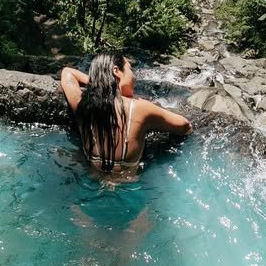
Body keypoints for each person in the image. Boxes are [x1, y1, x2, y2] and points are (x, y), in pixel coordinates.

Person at [59, 51, 192, 174]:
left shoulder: (82, 104)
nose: (134, 77)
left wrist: (98, 83)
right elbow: (184, 125)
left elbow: (67, 72)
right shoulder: (140, 108)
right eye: (130, 69)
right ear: (117, 71)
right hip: (129, 184)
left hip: (92, 177)